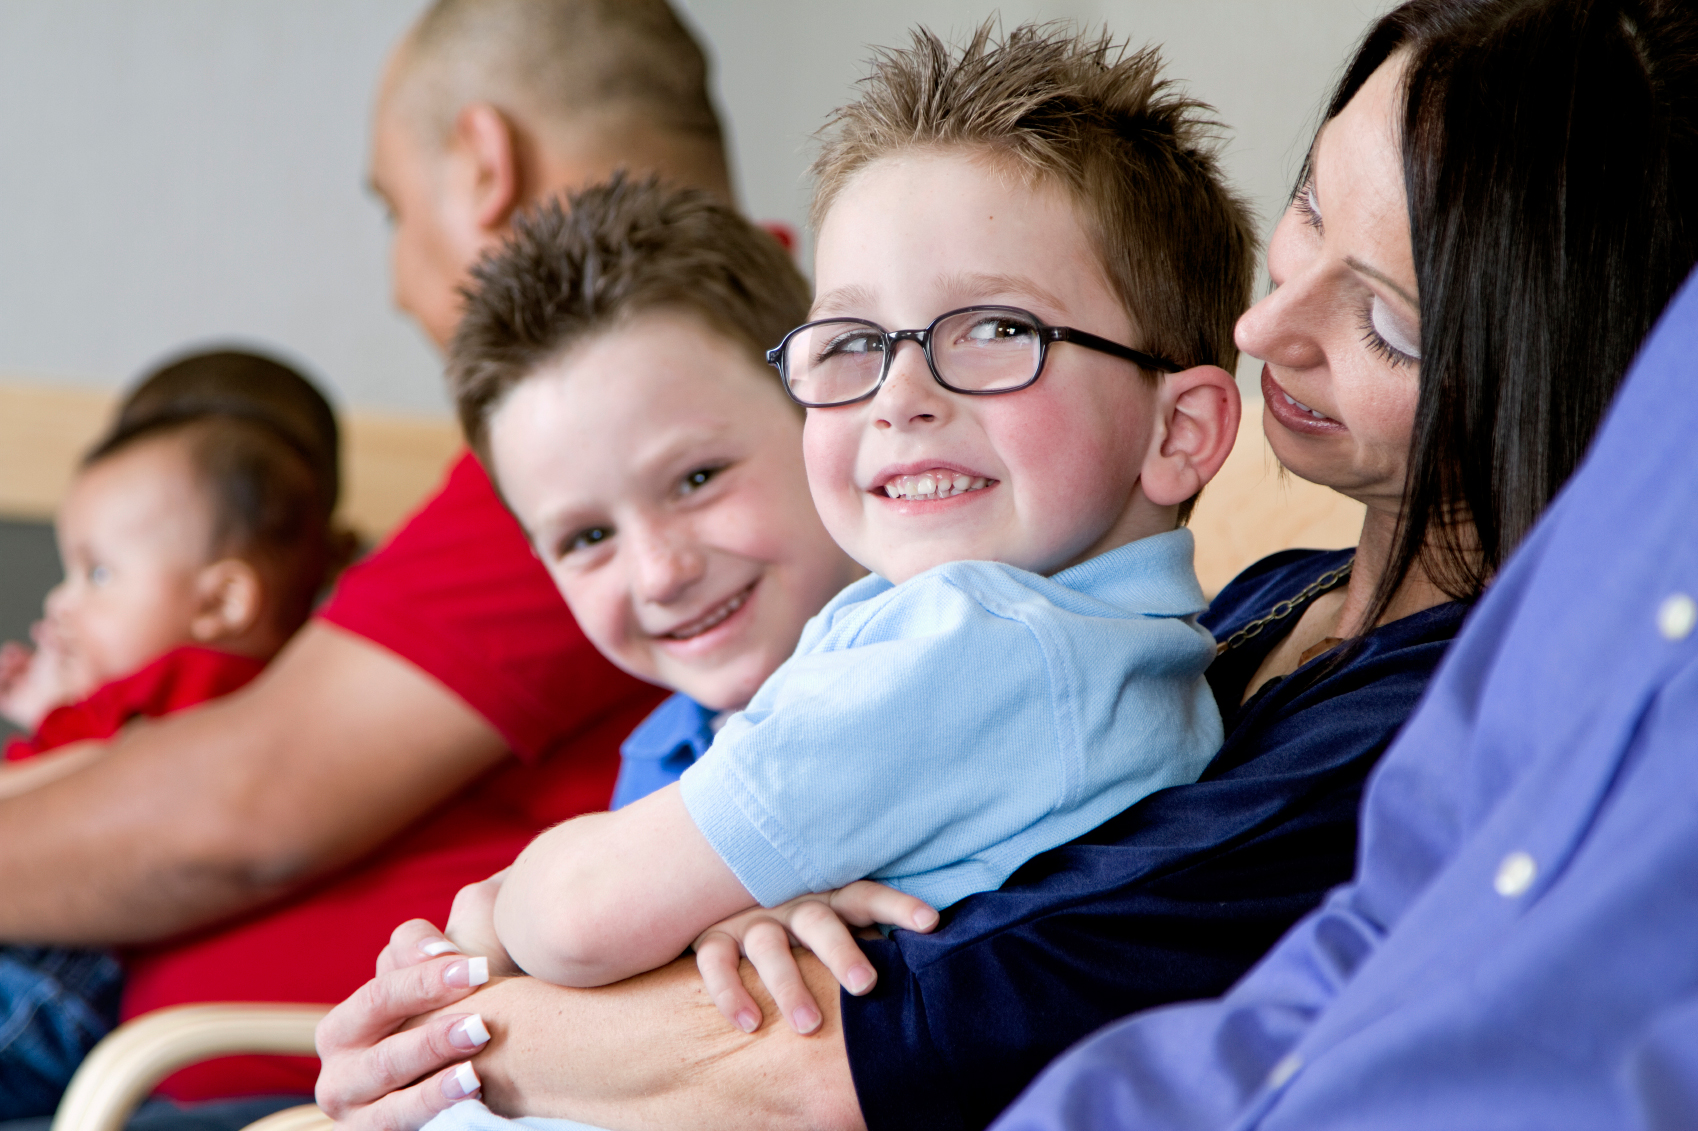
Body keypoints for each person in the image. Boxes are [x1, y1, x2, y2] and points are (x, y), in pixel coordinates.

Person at [314, 4, 1698, 1127]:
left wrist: (461, 984)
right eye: (1306, 214)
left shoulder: (1418, 731)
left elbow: (843, 1056)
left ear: (1552, 371)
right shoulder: (1261, 599)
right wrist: (768, 901)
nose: (1270, 317)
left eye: (1384, 320)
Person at [0, 0, 739, 1113]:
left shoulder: (627, 407)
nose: (400, 284)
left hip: (248, 1076)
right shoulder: (669, 390)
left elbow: (240, 808)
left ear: (482, 164)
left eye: (393, 210)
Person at [442, 93, 1243, 1010]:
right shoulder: (1080, 650)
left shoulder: (984, 643)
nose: (900, 397)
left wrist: (503, 901)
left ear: (1179, 431)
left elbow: (584, 917)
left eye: (997, 329)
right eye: (858, 342)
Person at [0, 350, 344, 1119]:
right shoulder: (144, 687)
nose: (59, 602)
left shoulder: (208, 685)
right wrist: (51, 710)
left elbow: (106, 777)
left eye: (95, 574)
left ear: (221, 598)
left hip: (62, 966)